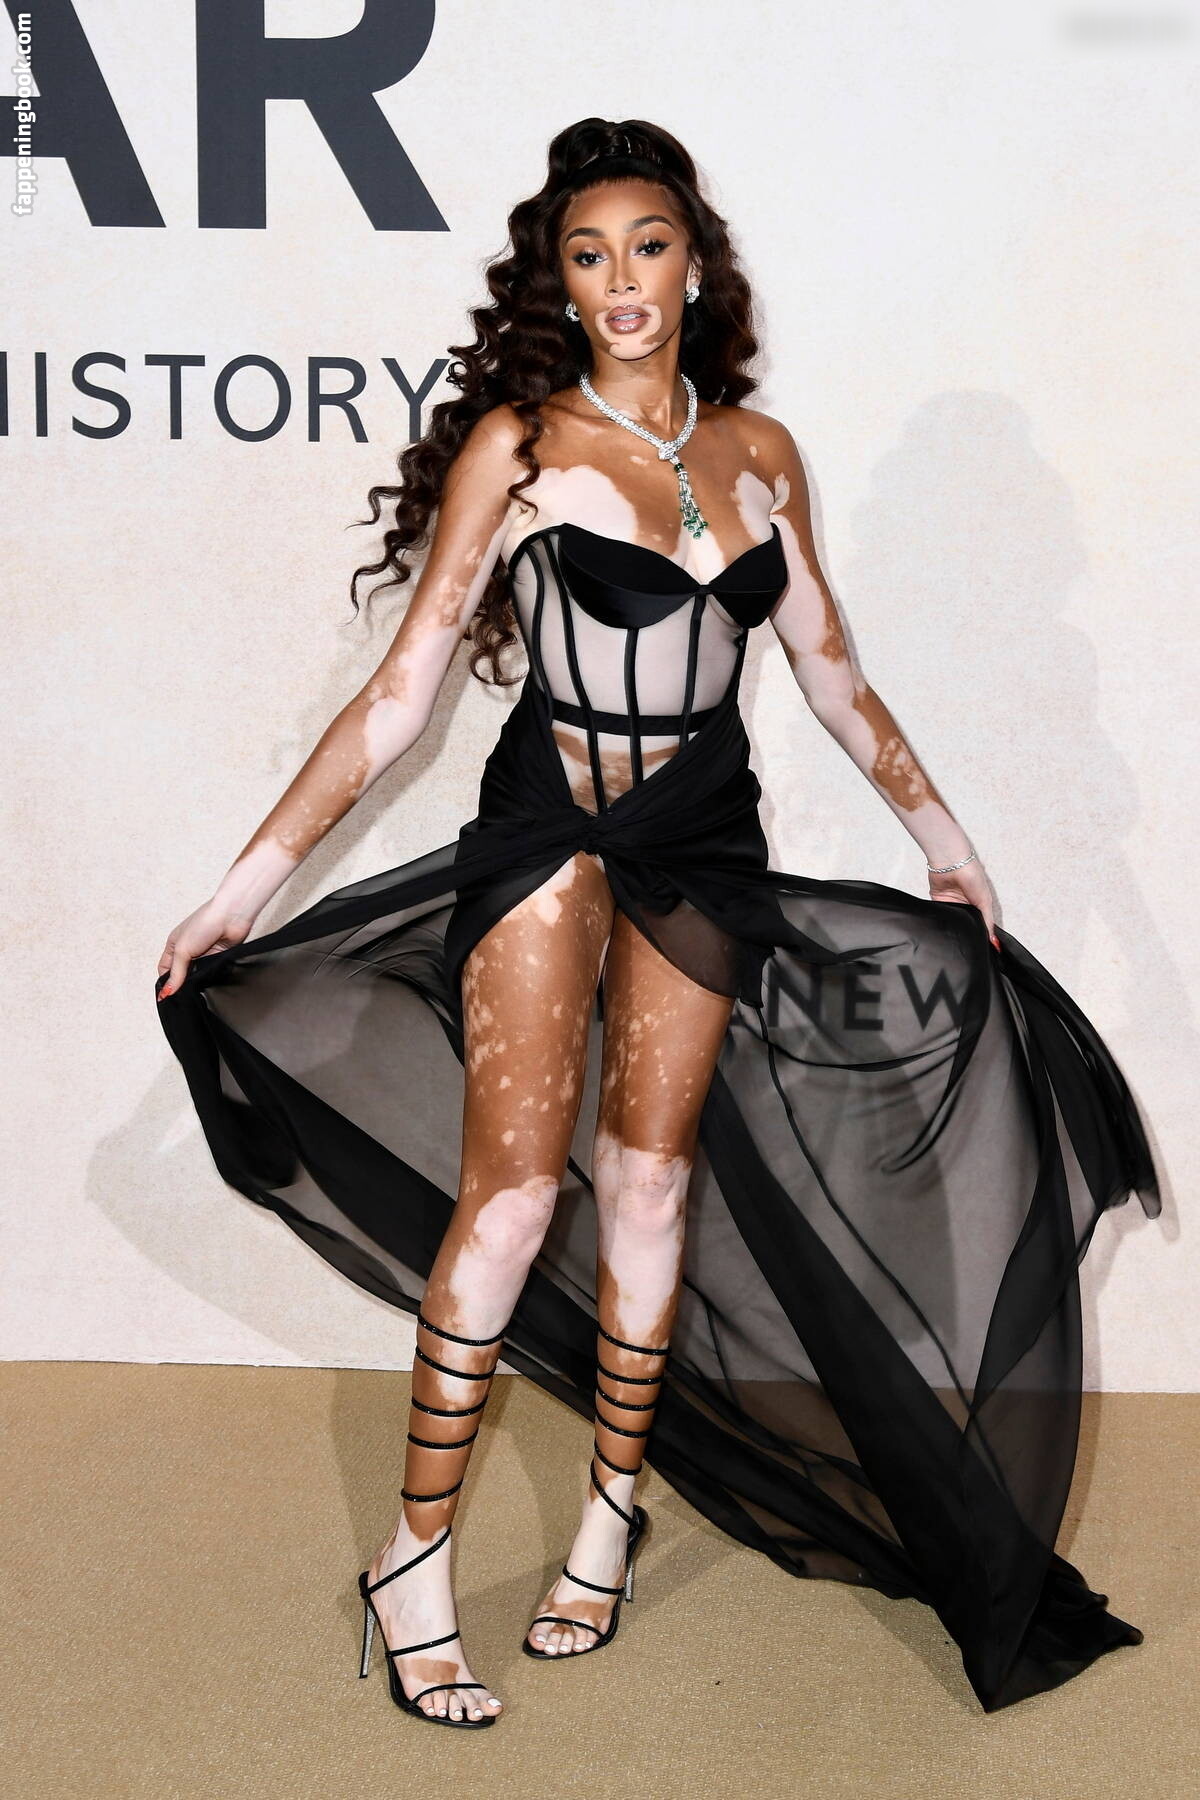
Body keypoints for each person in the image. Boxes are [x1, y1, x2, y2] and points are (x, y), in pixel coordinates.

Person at [156, 118, 1160, 1727]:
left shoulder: (759, 454)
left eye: (647, 246)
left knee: (648, 1186)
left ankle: (608, 1520)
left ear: (695, 267)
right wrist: (239, 890)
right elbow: (402, 696)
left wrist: (946, 844)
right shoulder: (523, 445)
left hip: (701, 838)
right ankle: (413, 1560)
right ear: (559, 284)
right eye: (588, 254)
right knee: (504, 1203)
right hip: (549, 832)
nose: (621, 279)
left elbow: (829, 673)